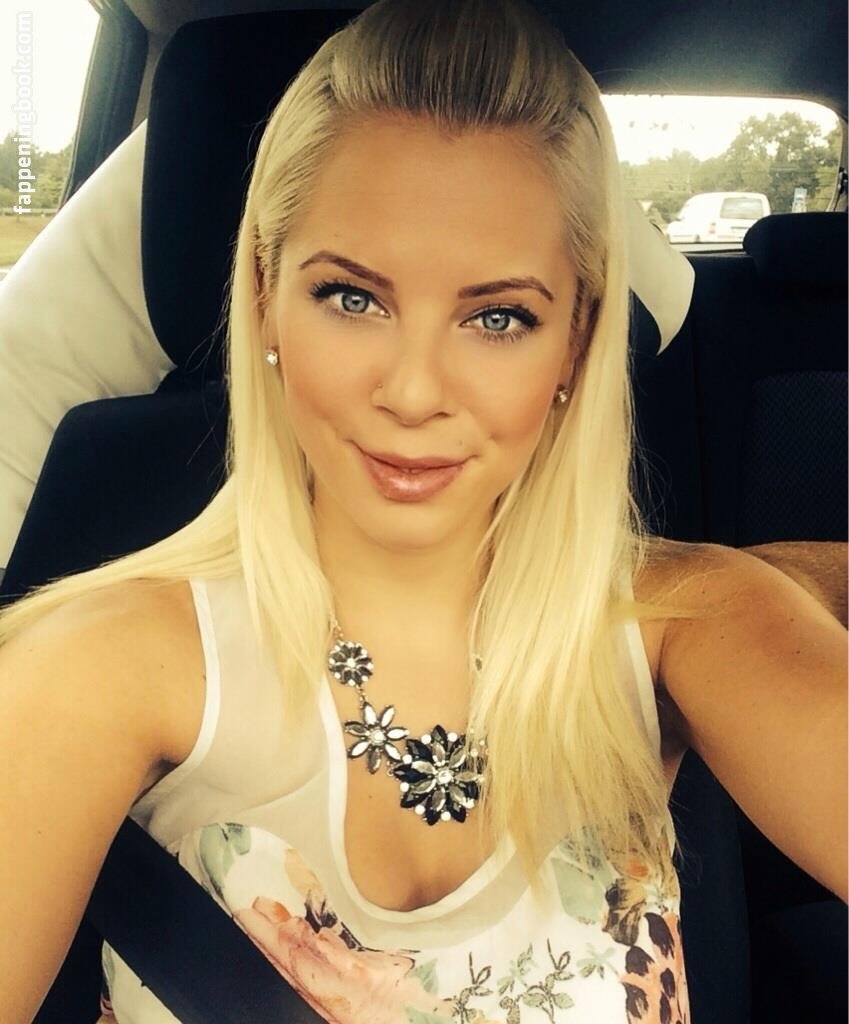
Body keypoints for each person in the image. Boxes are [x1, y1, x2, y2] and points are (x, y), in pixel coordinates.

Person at [2, 2, 845, 1022]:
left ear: (577, 339)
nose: (411, 392)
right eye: (352, 298)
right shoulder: (97, 665)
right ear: (265, 294)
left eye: (498, 317)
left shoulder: (689, 624)